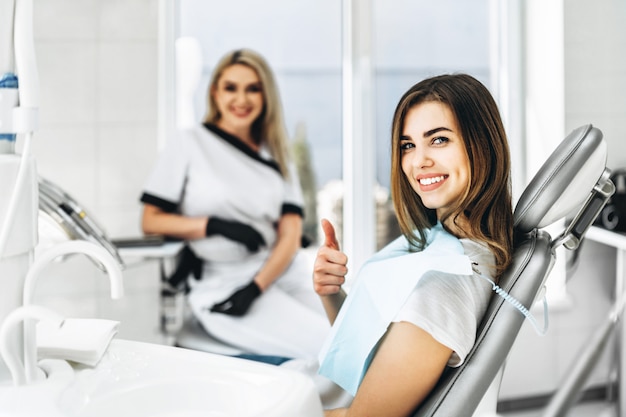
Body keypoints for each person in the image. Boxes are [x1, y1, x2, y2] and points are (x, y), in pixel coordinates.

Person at [311, 73, 514, 416]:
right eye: (408, 145)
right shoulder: (446, 246)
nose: (418, 161)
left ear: (482, 144)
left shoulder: (445, 283)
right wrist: (331, 293)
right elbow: (382, 351)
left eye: (438, 140)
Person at [140, 48, 329, 360]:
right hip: (224, 280)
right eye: (231, 88)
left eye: (252, 89)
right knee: (325, 349)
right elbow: (151, 220)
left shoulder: (276, 153)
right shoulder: (189, 143)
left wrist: (256, 288)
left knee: (352, 340)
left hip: (280, 273)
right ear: (215, 92)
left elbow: (290, 235)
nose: (241, 100)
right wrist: (213, 225)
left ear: (266, 95)